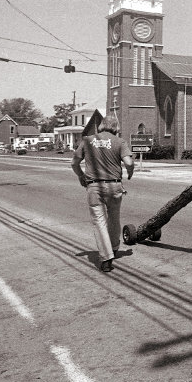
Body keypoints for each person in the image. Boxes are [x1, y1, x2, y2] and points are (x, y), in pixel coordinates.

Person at [71, 115, 134, 273]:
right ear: (115, 127)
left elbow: (74, 163)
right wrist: (130, 174)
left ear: (101, 126)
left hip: (95, 187)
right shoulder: (120, 142)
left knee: (99, 222)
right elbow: (129, 163)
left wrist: (81, 176)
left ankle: (106, 258)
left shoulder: (87, 140)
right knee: (114, 218)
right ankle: (114, 247)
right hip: (115, 186)